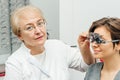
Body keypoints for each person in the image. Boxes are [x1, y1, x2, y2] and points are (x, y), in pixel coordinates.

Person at [4, 5, 94, 80]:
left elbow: (87, 66)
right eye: (29, 28)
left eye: (40, 23)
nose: (38, 31)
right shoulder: (14, 63)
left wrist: (85, 49)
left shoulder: (57, 46)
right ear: (19, 35)